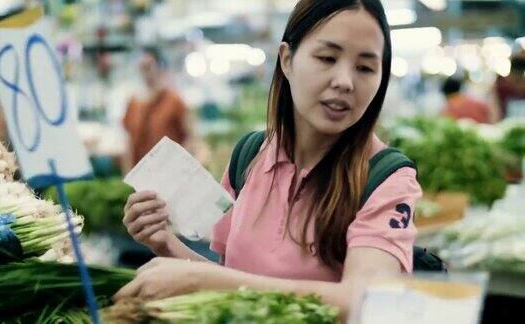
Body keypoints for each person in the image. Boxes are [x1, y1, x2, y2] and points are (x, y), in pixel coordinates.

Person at [116, 0, 422, 318]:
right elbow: (232, 284)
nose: (345, 81)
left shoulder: (386, 179)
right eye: (327, 58)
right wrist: (166, 244)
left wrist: (199, 279)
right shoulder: (249, 157)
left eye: (365, 67)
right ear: (287, 60)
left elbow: (365, 301)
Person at [121, 47, 189, 171]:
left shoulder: (174, 101)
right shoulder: (133, 103)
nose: (146, 72)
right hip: (141, 174)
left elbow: (190, 138)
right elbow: (129, 143)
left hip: (169, 171)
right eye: (142, 67)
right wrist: (127, 174)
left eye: (149, 66)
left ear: (159, 68)